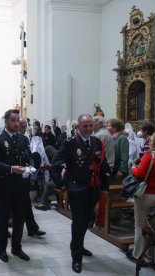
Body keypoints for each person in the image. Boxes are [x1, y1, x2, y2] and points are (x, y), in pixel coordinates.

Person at [51, 114, 110, 273]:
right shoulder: (70, 143)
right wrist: (62, 183)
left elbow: (101, 163)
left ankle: (78, 245)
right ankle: (76, 257)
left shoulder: (97, 142)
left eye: (91, 125)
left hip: (93, 188)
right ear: (78, 127)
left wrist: (105, 182)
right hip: (77, 189)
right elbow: (55, 163)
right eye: (85, 126)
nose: (89, 129)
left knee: (87, 220)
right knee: (78, 221)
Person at [0, 109, 33, 263]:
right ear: (6, 121)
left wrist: (30, 167)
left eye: (17, 120)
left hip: (21, 185)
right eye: (13, 120)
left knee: (20, 218)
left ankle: (16, 247)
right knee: (3, 218)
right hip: (4, 185)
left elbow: (28, 157)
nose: (16, 123)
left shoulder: (23, 139)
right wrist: (10, 168)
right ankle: (2, 249)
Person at [126, 131, 155, 265]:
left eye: (152, 140)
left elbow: (140, 173)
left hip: (146, 195)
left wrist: (133, 168)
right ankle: (150, 256)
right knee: (154, 227)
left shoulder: (150, 156)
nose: (150, 141)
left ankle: (138, 255)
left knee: (140, 226)